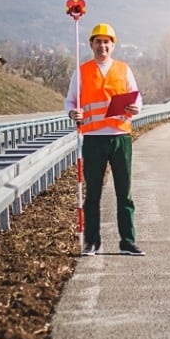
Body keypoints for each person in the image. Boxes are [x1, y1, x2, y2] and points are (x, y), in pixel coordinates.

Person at [64, 22, 144, 256]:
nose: (102, 46)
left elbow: (137, 99)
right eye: (98, 41)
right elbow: (70, 101)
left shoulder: (124, 69)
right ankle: (92, 241)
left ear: (113, 45)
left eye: (106, 42)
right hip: (93, 139)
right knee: (93, 194)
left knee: (124, 193)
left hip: (120, 137)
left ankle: (127, 241)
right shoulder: (82, 71)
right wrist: (72, 113)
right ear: (91, 45)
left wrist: (135, 108)